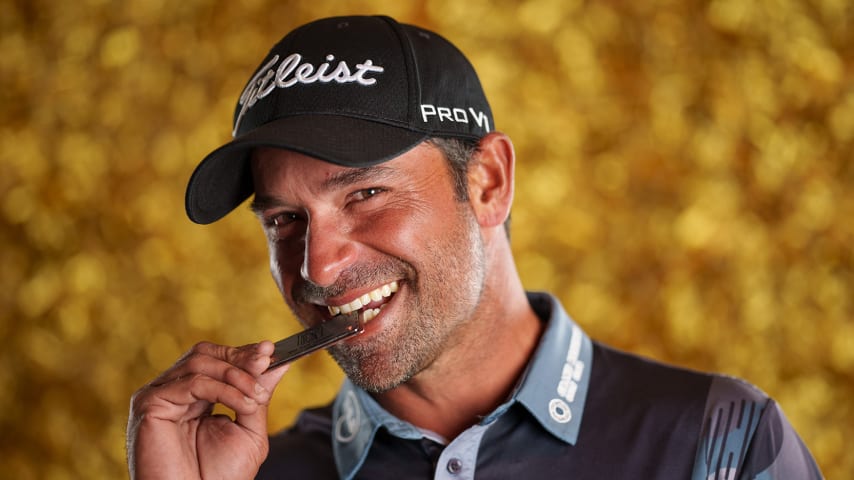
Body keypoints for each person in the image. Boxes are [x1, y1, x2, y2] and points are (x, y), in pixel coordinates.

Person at [127, 15, 823, 479]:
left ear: (488, 182)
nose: (319, 266)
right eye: (283, 220)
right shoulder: (250, 474)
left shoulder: (718, 446)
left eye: (364, 195)